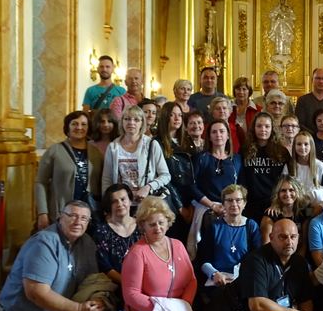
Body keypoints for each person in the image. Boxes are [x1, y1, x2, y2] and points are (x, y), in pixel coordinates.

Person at [92, 197, 203, 311]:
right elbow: (131, 295)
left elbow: (191, 280)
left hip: (177, 309)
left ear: (168, 221)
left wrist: (183, 307)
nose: (157, 228)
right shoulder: (137, 253)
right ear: (143, 225)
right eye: (152, 224)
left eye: (161, 222)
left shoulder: (178, 245)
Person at [35, 111, 103, 230]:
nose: (79, 127)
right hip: (60, 213)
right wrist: (42, 213)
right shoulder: (54, 150)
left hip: (88, 215)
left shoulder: (97, 153)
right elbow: (41, 182)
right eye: (74, 124)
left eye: (83, 124)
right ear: (68, 127)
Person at [102, 105, 171, 212]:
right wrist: (107, 209)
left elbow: (165, 175)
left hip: (147, 204)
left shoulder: (151, 144)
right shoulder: (113, 147)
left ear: (142, 123)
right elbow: (107, 180)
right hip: (121, 206)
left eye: (136, 119)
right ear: (122, 121)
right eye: (127, 118)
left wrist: (148, 187)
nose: (131, 122)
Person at [93, 184, 141, 311]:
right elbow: (104, 265)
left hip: (139, 280)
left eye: (123, 199)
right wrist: (126, 281)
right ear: (109, 206)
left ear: (130, 201)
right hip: (113, 280)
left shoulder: (142, 226)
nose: (119, 204)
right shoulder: (102, 231)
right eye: (114, 201)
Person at [198, 185, 261, 299]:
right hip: (218, 281)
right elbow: (203, 260)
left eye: (238, 200)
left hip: (244, 280)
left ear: (244, 203)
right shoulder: (214, 227)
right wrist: (214, 274)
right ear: (223, 204)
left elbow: (256, 260)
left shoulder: (251, 226)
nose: (234, 204)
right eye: (229, 200)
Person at [239, 111, 291, 221]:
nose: (263, 129)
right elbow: (242, 180)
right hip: (250, 203)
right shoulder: (245, 151)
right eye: (259, 126)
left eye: (267, 126)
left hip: (275, 203)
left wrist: (277, 202)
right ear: (253, 128)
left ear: (272, 129)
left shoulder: (282, 152)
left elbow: (286, 180)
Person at [156, 101, 196, 241]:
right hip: (170, 198)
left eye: (179, 115)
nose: (177, 118)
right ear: (165, 117)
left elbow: (194, 173)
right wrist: (179, 207)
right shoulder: (157, 143)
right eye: (172, 115)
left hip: (189, 196)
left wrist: (193, 202)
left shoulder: (187, 140)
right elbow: (163, 178)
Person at [188, 119, 243, 217]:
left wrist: (232, 205)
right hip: (206, 207)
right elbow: (191, 186)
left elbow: (243, 186)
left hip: (232, 206)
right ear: (209, 137)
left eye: (222, 131)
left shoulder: (237, 159)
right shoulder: (201, 158)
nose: (218, 135)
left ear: (228, 135)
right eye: (214, 132)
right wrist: (212, 205)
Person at [260, 175, 311, 256]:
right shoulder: (271, 215)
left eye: (291, 190)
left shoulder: (302, 213)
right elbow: (266, 246)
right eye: (283, 190)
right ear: (278, 193)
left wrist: (297, 261)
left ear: (297, 192)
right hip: (275, 258)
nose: (287, 194)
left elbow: (303, 245)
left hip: (297, 257)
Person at [282, 131, 323, 206]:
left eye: (306, 144)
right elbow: (282, 189)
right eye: (299, 144)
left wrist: (322, 206)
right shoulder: (289, 166)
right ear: (294, 146)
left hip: (316, 207)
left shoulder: (320, 166)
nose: (302, 147)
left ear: (311, 146)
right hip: (294, 207)